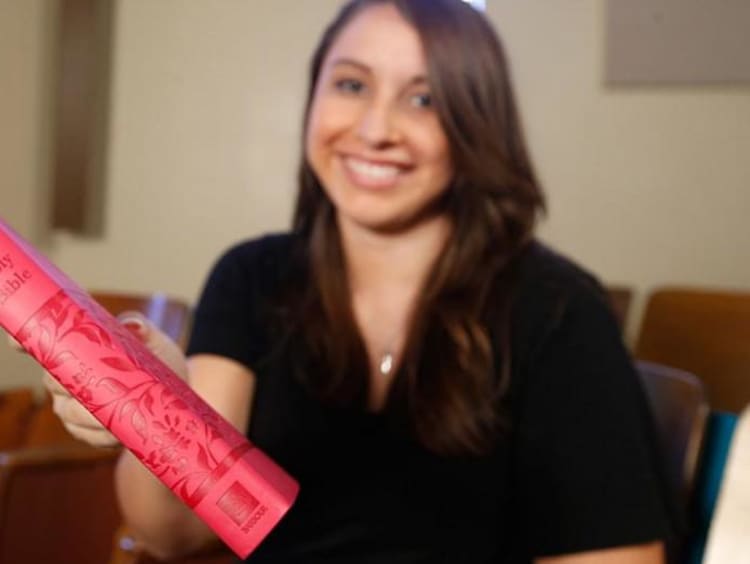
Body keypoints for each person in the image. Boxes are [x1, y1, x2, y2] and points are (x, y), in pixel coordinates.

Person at [38, 0, 678, 562]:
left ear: (475, 125)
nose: (375, 130)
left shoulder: (560, 310)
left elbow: (615, 555)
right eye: (350, 85)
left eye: (424, 100)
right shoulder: (252, 277)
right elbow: (170, 536)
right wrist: (163, 409)